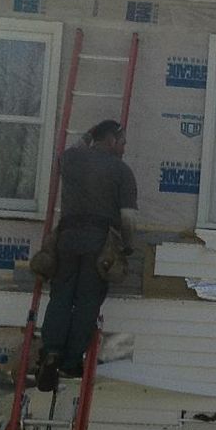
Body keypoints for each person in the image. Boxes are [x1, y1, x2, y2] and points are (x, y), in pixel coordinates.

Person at [35, 119, 137, 392]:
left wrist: (90, 133)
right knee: (87, 302)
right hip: (98, 242)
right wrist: (128, 246)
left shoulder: (71, 159)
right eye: (123, 141)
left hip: (66, 239)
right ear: (112, 140)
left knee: (61, 296)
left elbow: (67, 152)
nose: (125, 148)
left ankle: (52, 352)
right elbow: (128, 219)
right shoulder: (121, 171)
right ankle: (70, 361)